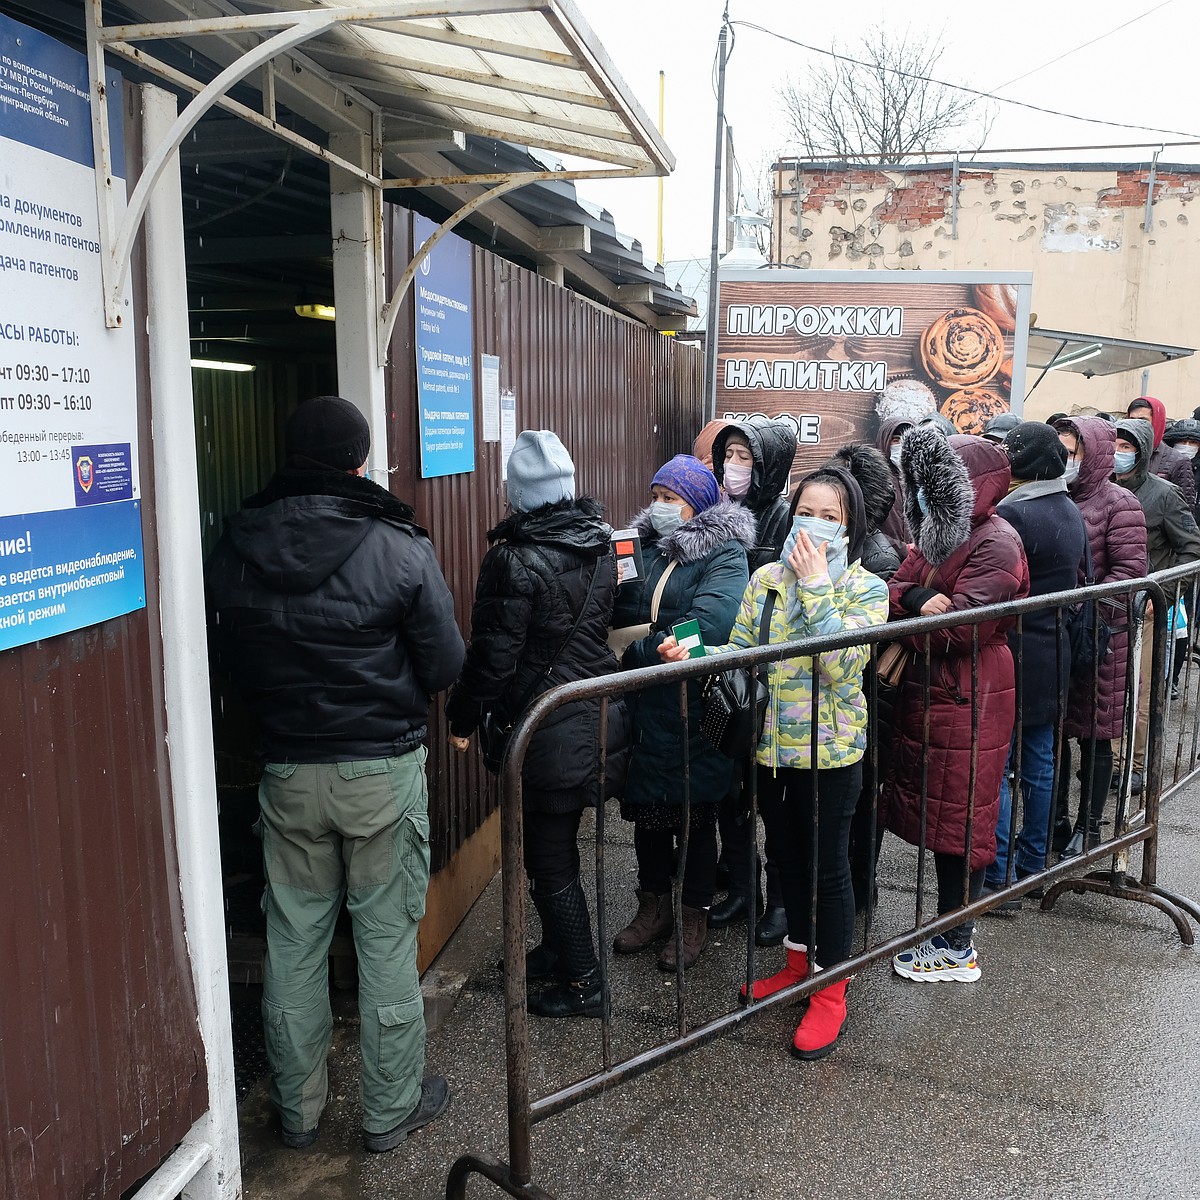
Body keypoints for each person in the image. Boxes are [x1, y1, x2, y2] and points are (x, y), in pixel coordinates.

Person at [205, 395, 464, 1152]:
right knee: (384, 941)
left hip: (287, 771)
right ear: (358, 461)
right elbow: (445, 663)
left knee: (292, 939)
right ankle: (388, 1112)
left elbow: (223, 663)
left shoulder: (235, 543)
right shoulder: (397, 544)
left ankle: (298, 1110)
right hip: (380, 772)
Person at [660, 466, 888, 1059]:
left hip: (831, 754)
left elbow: (841, 668)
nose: (814, 525)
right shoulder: (764, 577)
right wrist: (692, 650)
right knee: (785, 862)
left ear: (850, 526)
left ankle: (831, 989)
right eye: (806, 512)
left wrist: (815, 587)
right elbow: (740, 652)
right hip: (771, 750)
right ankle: (795, 966)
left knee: (827, 869)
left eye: (830, 517)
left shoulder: (865, 589)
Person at [444, 431, 629, 1019]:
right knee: (554, 851)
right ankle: (556, 950)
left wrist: (463, 716)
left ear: (515, 496)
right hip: (589, 711)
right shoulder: (598, 543)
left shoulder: (514, 558)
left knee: (548, 858)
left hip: (547, 727)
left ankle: (584, 982)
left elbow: (494, 655)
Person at [884, 430, 1029, 983]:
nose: (920, 496)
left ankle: (957, 944)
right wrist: (919, 600)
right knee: (944, 813)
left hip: (970, 689)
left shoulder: (996, 542)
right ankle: (946, 931)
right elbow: (893, 588)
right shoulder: (938, 534)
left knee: (961, 818)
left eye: (933, 485)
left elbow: (960, 630)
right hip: (935, 690)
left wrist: (915, 613)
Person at [611, 455, 756, 971]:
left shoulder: (725, 552)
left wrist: (637, 652)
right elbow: (619, 607)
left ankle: (692, 916)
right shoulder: (637, 547)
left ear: (696, 505)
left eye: (672, 499)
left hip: (695, 706)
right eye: (656, 496)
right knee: (648, 818)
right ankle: (652, 909)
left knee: (694, 819)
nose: (661, 507)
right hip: (646, 708)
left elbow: (711, 625)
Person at [981, 422, 1087, 908]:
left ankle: (998, 876)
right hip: (1054, 651)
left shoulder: (1012, 514)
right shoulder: (1069, 509)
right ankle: (1032, 866)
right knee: (1040, 765)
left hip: (1013, 651)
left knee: (1000, 767)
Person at [707, 417, 798, 944]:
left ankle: (782, 903)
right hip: (734, 670)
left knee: (776, 799)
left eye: (746, 457)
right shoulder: (722, 514)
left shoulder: (787, 518)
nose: (734, 466)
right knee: (732, 793)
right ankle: (744, 889)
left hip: (776, 677)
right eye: (730, 455)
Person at [1051, 417, 1147, 854]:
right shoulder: (1051, 493)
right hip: (1055, 632)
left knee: (1093, 732)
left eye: (1074, 452)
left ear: (1095, 454)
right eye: (1061, 450)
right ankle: (1056, 819)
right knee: (1053, 732)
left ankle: (1088, 827)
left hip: (1101, 636)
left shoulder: (1120, 502)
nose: (1066, 460)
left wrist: (1079, 602)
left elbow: (1130, 573)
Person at [825, 442, 903, 912]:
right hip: (850, 704)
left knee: (860, 801)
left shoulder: (875, 563)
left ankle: (859, 886)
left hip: (865, 701)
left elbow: (847, 654)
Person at [1110, 417, 1200, 800]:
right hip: (1112, 609)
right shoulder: (1100, 489)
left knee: (1144, 693)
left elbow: (1192, 549)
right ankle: (1112, 763)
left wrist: (1160, 594)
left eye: (1128, 448)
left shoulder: (1164, 495)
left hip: (1149, 611)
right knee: (1112, 690)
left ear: (1144, 452)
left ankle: (1138, 765)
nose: (1119, 454)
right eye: (1115, 445)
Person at [1126, 396, 1197, 509]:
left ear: (1156, 422)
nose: (1136, 425)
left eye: (1142, 421)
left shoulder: (1178, 462)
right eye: (1132, 420)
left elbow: (1184, 512)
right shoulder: (1121, 455)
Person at [875, 416, 915, 559]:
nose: (901, 445)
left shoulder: (920, 480)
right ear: (885, 442)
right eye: (896, 440)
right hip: (881, 561)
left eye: (906, 440)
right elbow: (866, 530)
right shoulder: (873, 479)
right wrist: (902, 548)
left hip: (917, 563)